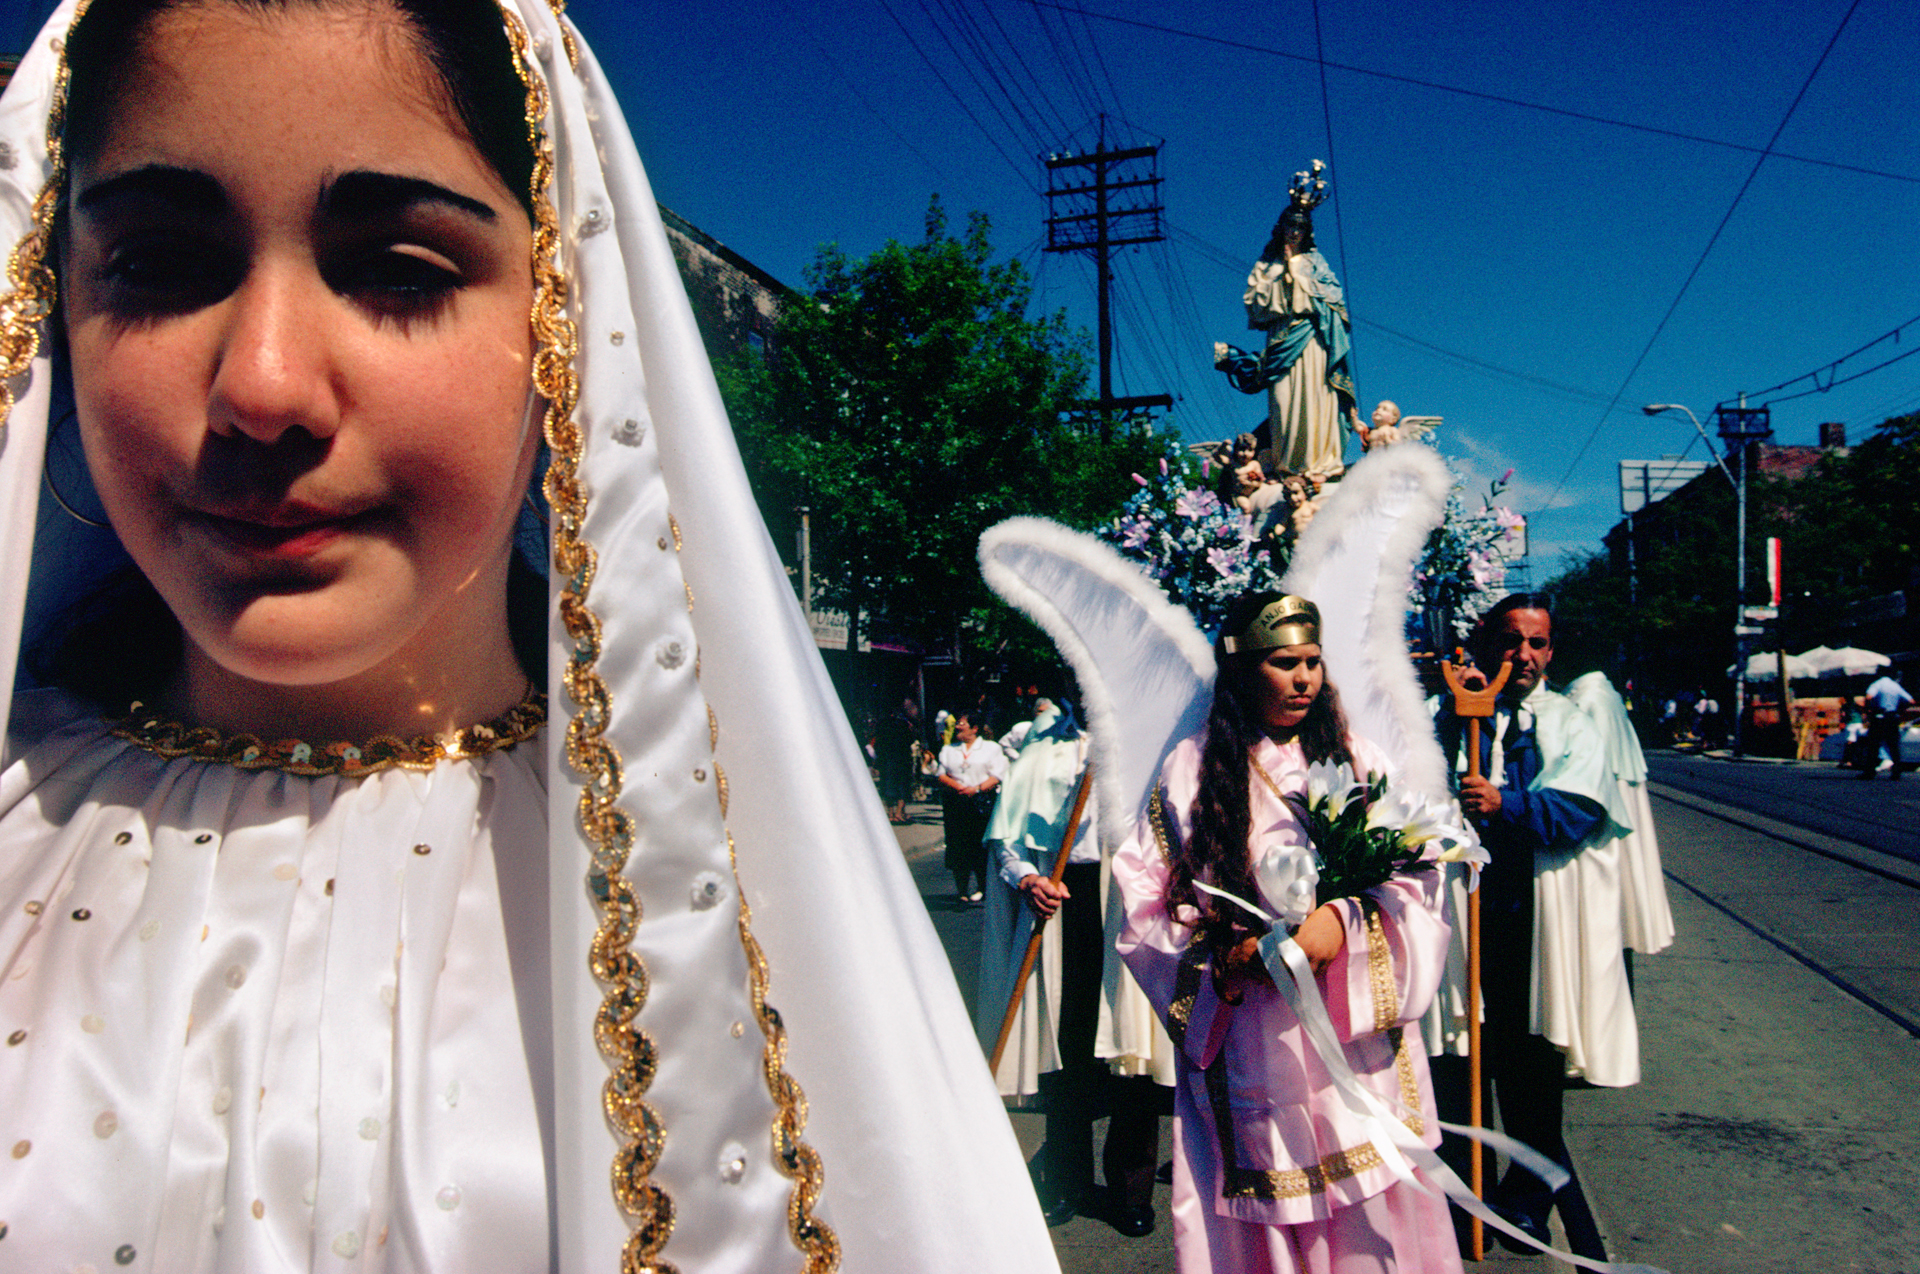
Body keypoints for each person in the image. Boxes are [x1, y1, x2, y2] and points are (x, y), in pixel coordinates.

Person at [0, 2, 1058, 1269]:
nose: (264, 386)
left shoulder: (721, 906)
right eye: (163, 263)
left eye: (397, 268)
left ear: (565, 320)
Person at [1112, 592, 1459, 1274]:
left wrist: (1345, 921)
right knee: (1268, 1199)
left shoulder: (1358, 757)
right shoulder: (1191, 766)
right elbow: (1145, 902)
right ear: (1241, 669)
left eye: (1312, 662)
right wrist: (1224, 963)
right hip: (1250, 1025)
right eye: (1282, 663)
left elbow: (1419, 874)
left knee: (1370, 1204)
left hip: (1349, 1026)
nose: (1303, 678)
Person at [1427, 595, 1629, 1258]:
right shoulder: (1448, 714)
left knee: (1530, 1067)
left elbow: (1580, 806)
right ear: (1486, 641)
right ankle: (1461, 1196)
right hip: (1459, 911)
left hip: (1531, 915)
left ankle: (1529, 1199)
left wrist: (1505, 803)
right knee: (1457, 1058)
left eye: (1538, 644)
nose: (1524, 657)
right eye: (1512, 641)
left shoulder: (1569, 720)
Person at [977, 698, 1171, 1237]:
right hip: (1062, 901)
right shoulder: (1041, 745)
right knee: (1063, 1049)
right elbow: (1007, 835)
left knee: (1130, 1054)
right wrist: (1026, 878)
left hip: (1126, 906)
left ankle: (1131, 1187)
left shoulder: (1146, 742)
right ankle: (1066, 1179)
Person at [1212, 168, 1358, 484]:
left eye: (1300, 228)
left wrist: (1304, 283)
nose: (1294, 233)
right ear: (1281, 229)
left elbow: (1336, 303)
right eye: (1290, 226)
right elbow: (1254, 302)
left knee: (1317, 398)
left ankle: (1320, 465)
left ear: (1307, 233)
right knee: (1284, 401)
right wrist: (1283, 280)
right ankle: (1287, 466)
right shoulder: (1267, 265)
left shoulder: (1317, 263)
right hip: (1282, 337)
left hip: (1314, 338)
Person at [938, 710, 1007, 902]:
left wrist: (976, 789)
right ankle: (961, 891)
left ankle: (984, 888)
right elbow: (941, 774)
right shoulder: (949, 750)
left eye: (962, 723)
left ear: (975, 728)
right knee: (957, 846)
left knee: (980, 846)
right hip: (957, 803)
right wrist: (959, 787)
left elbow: (997, 775)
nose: (957, 727)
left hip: (981, 803)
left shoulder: (991, 748)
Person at [876, 695, 922, 820]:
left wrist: (878, 761)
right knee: (903, 785)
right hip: (902, 758)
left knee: (887, 785)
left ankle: (890, 813)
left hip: (886, 759)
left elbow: (878, 743)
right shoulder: (903, 724)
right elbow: (910, 740)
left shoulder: (881, 724)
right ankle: (899, 812)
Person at [1862, 670, 1913, 778]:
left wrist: (1868, 710)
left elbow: (1868, 697)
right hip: (1892, 718)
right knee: (1893, 746)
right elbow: (1910, 701)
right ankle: (1896, 772)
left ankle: (1870, 772)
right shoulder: (1895, 686)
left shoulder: (1877, 684)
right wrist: (1899, 710)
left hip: (1879, 717)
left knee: (1874, 745)